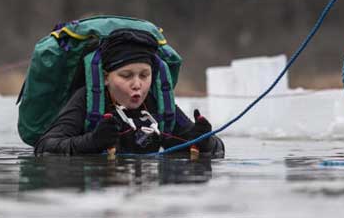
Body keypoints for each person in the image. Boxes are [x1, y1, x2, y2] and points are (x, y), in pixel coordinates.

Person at [35, 29, 225, 157]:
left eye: (144, 75)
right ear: (106, 77)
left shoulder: (158, 101)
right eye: (126, 76)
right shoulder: (87, 99)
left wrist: (205, 142)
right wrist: (91, 142)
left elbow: (219, 150)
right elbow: (44, 147)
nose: (137, 84)